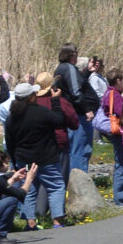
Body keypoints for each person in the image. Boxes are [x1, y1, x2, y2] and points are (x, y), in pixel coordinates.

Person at [5, 81, 68, 230]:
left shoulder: (12, 117)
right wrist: (55, 101)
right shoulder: (41, 112)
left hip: (25, 160)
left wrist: (15, 163)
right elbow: (59, 121)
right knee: (56, 186)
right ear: (31, 97)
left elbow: (10, 142)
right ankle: (57, 221)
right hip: (46, 159)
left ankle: (30, 221)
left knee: (28, 188)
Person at [54, 43, 99, 173]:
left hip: (69, 114)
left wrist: (88, 72)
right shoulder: (70, 69)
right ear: (71, 55)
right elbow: (76, 92)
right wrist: (87, 110)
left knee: (73, 150)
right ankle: (79, 184)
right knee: (81, 151)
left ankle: (70, 181)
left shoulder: (61, 68)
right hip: (79, 116)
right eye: (76, 53)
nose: (78, 56)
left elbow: (73, 85)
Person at [33, 72, 79, 183]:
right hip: (58, 144)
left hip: (35, 145)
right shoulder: (60, 102)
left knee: (36, 182)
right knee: (59, 181)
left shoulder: (32, 102)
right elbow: (74, 123)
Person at [103, 68, 123, 206]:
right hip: (116, 131)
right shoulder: (115, 95)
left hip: (109, 130)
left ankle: (121, 195)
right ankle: (120, 198)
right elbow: (122, 110)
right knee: (121, 164)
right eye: (122, 80)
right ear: (118, 80)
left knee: (120, 161)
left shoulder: (108, 93)